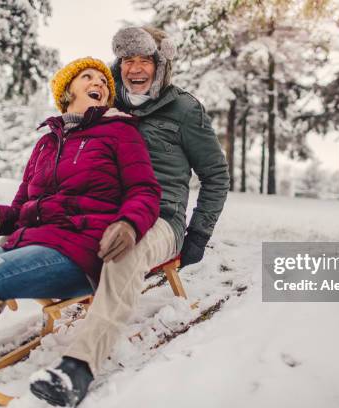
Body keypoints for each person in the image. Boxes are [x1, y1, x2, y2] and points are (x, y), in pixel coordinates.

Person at [0, 57, 161, 389]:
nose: (99, 83)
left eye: (103, 82)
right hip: (32, 244)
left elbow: (145, 190)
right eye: (88, 77)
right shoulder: (47, 143)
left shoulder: (120, 133)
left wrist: (128, 223)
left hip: (80, 250)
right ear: (67, 90)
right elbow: (21, 208)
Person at [30, 26, 230, 407]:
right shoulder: (104, 100)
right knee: (24, 230)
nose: (135, 69)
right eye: (128, 61)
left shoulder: (185, 110)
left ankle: (79, 366)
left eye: (145, 61)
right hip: (102, 208)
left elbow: (216, 176)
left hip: (159, 218)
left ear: (161, 65)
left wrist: (198, 235)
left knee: (126, 248)